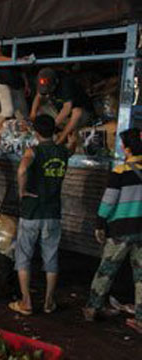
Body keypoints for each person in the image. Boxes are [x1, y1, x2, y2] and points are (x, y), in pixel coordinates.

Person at [9, 115, 76, 315]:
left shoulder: (34, 151)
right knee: (51, 257)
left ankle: (26, 302)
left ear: (36, 132)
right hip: (53, 213)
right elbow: (71, 147)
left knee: (24, 256)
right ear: (54, 130)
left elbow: (22, 169)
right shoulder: (62, 152)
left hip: (32, 212)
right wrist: (72, 138)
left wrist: (22, 191)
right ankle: (48, 302)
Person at [83, 128, 142, 334]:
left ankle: (93, 308)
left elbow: (109, 201)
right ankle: (141, 319)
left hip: (121, 230)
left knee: (106, 270)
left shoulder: (121, 171)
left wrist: (100, 222)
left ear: (126, 148)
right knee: (141, 276)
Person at [30, 67, 95, 145]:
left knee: (77, 112)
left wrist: (52, 125)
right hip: (60, 115)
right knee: (40, 109)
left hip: (81, 116)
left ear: (56, 82)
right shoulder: (43, 81)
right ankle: (44, 132)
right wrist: (32, 115)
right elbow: (38, 97)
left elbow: (67, 109)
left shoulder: (66, 84)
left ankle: (61, 138)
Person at [0, 46, 30, 138]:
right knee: (8, 110)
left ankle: (24, 137)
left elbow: (21, 70)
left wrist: (26, 84)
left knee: (23, 112)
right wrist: (17, 60)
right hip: (3, 80)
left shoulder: (16, 47)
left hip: (16, 82)